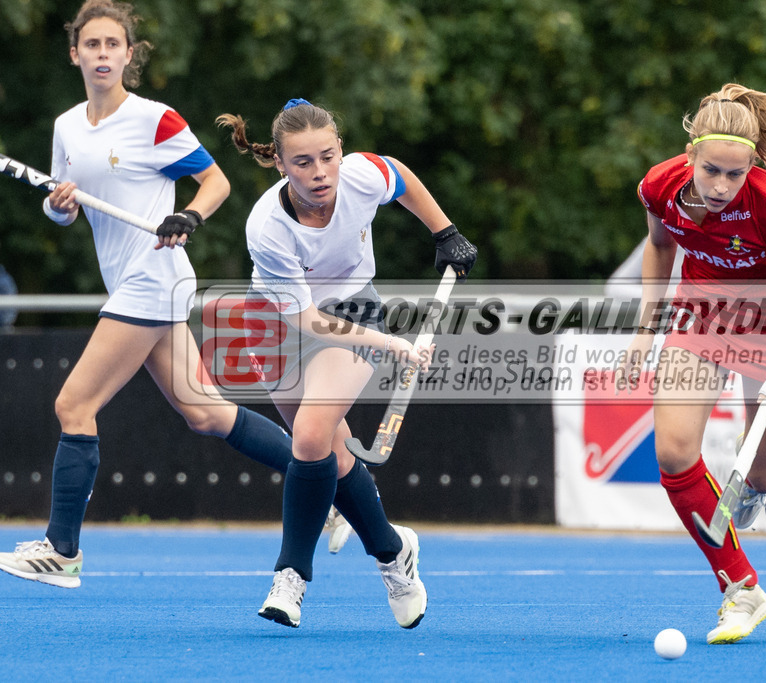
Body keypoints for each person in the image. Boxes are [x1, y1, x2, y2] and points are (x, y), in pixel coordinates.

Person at [0, 0, 310, 589]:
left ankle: (62, 551)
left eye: (112, 45)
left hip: (154, 275)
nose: (102, 55)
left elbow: (214, 181)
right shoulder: (67, 127)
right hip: (131, 282)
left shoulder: (155, 120)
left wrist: (188, 216)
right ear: (75, 54)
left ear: (128, 54)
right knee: (205, 413)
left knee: (74, 405)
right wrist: (55, 205)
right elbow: (64, 205)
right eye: (91, 45)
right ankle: (332, 482)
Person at [217, 98, 477, 629]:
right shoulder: (268, 227)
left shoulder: (360, 174)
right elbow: (308, 320)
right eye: (303, 163)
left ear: (340, 151)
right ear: (280, 164)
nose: (320, 173)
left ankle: (290, 577)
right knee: (329, 457)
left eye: (328, 157)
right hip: (275, 323)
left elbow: (399, 178)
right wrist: (394, 346)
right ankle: (391, 551)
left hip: (352, 307)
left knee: (310, 437)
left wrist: (445, 232)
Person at [623, 83, 766, 644]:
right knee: (672, 452)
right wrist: (646, 332)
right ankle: (741, 588)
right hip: (703, 318)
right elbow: (661, 248)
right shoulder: (659, 186)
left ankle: (763, 485)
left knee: (760, 473)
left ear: (751, 168)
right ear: (690, 155)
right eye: (711, 170)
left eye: (734, 175)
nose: (720, 187)